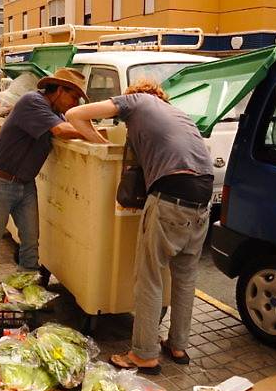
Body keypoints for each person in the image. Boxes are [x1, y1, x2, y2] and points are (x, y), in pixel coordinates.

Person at [66, 79, 214, 375]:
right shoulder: (176, 113)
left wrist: (100, 143)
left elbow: (75, 116)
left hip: (170, 197)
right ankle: (178, 345)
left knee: (149, 277)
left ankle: (144, 355)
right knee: (184, 277)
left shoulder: (135, 103)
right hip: (203, 198)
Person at [0, 68, 90, 274]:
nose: (75, 104)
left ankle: (28, 285)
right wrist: (96, 135)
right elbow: (62, 131)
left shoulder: (56, 112)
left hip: (26, 183)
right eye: (74, 97)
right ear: (59, 90)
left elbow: (71, 126)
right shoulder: (33, 101)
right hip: (2, 182)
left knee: (30, 240)